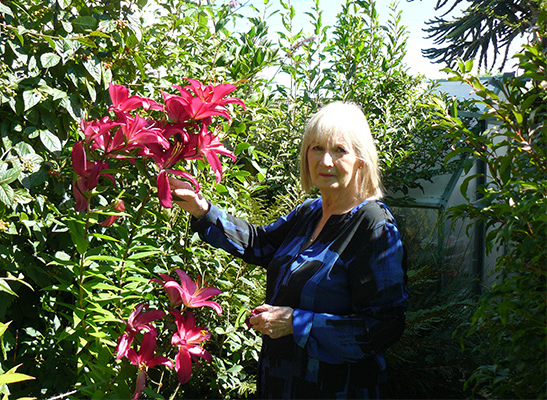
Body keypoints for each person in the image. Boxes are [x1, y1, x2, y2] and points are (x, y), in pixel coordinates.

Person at [169, 101, 409, 399]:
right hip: (281, 384)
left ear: (361, 159)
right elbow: (260, 243)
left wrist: (297, 322)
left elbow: (383, 326)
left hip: (337, 389)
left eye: (339, 150)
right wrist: (202, 210)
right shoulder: (310, 213)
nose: (325, 161)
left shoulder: (373, 226)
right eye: (317, 148)